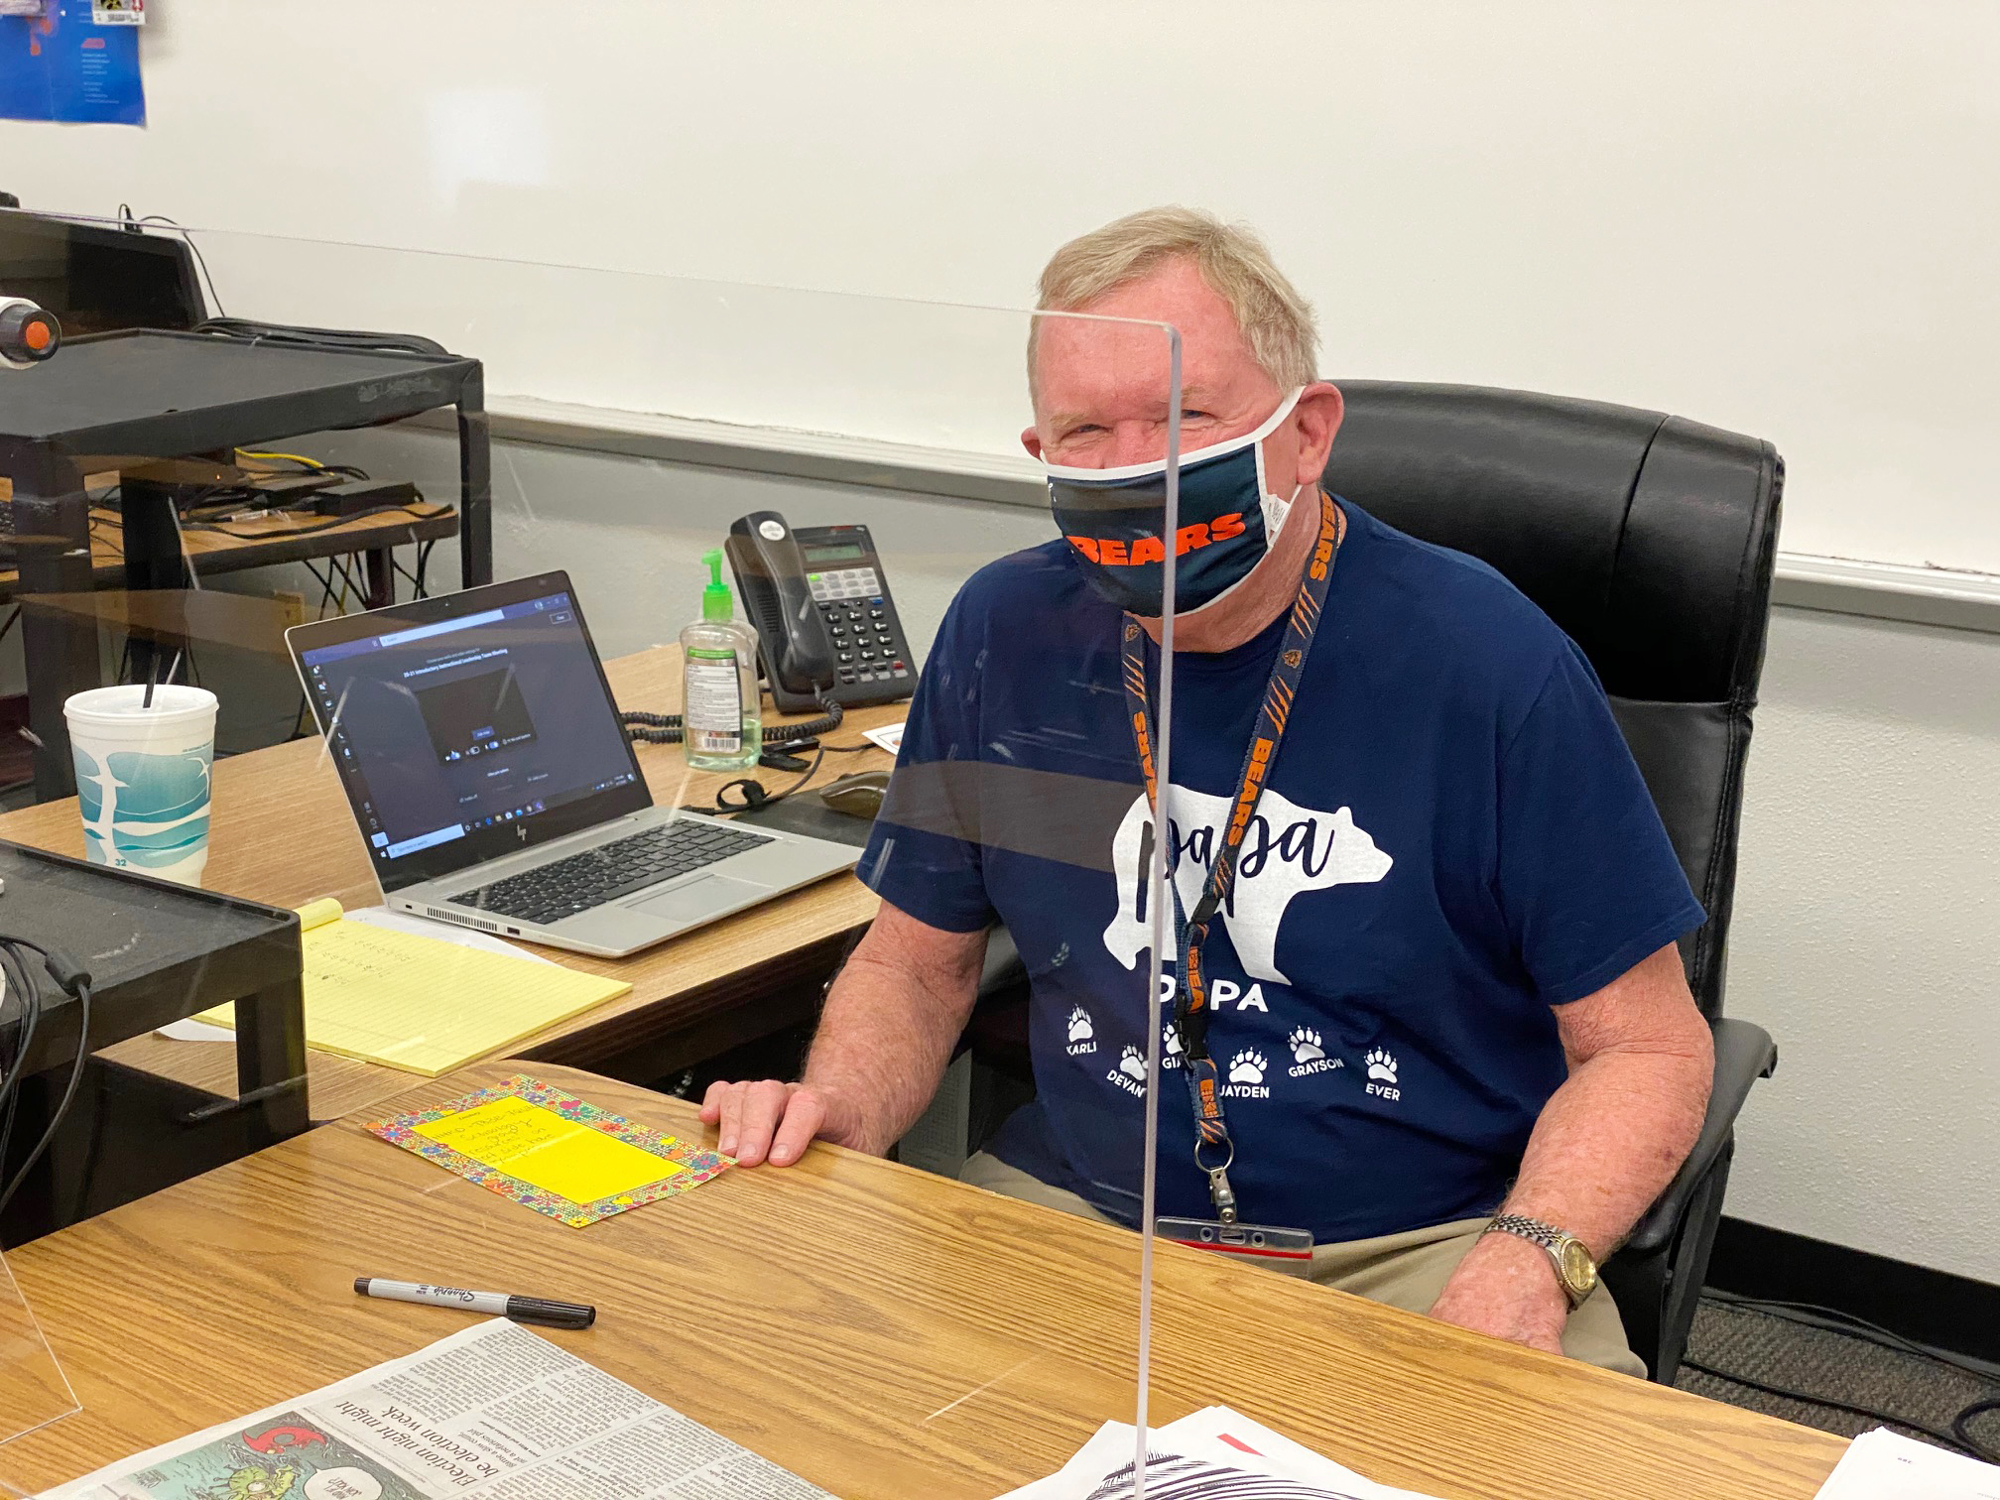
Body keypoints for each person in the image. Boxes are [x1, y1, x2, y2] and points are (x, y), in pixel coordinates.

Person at [702, 206, 1713, 1377]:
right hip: (1077, 1220)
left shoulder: (1488, 664)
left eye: (1184, 415)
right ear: (1037, 453)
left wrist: (1528, 1256)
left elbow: (1646, 1052)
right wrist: (842, 1110)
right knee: (793, 1398)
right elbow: (914, 964)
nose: (1137, 464)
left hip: (1419, 1244)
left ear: (1307, 432)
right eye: (1087, 429)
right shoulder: (1006, 631)